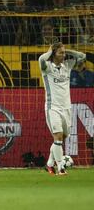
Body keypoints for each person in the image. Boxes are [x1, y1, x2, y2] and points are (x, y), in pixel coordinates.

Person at [38, 42, 86, 175]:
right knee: (58, 136)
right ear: (54, 54)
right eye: (61, 53)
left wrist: (66, 50)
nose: (64, 55)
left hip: (66, 108)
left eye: (64, 53)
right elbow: (41, 59)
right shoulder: (47, 67)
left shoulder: (67, 66)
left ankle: (49, 165)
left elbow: (82, 56)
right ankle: (60, 168)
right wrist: (50, 51)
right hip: (53, 107)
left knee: (62, 137)